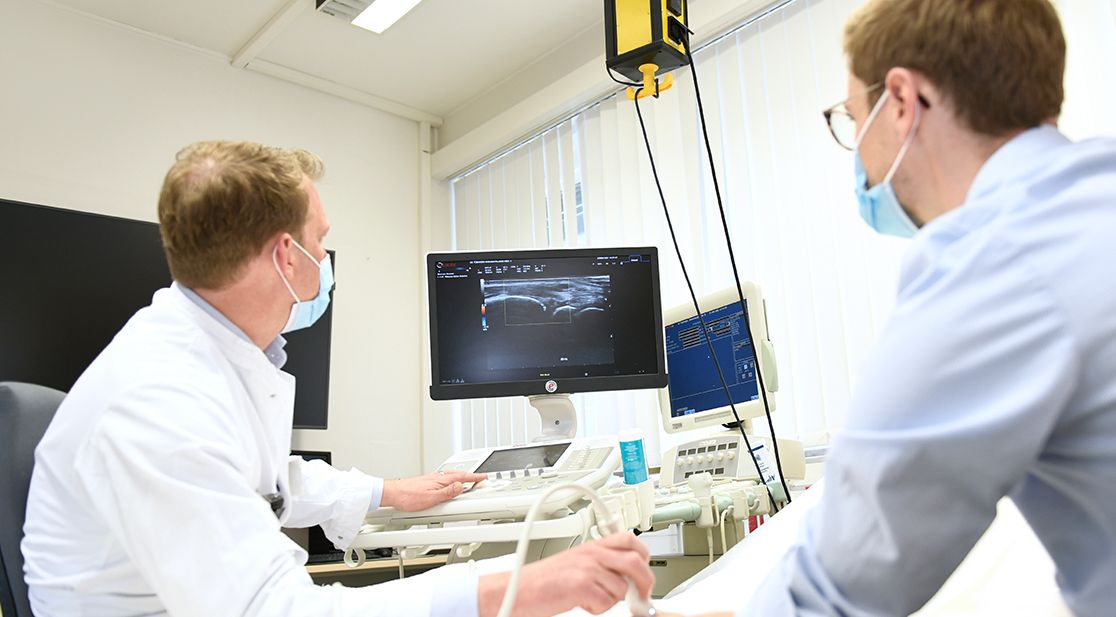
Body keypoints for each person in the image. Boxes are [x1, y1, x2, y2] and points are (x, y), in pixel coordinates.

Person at [21, 141, 654, 617]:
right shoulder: (157, 404)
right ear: (285, 255)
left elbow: (265, 482)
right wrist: (520, 588)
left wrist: (386, 491)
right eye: (319, 241)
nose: (324, 258)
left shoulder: (212, 358)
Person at [684, 0, 1116, 615]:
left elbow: (844, 583)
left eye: (852, 118)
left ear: (902, 101)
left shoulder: (990, 256)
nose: (858, 153)